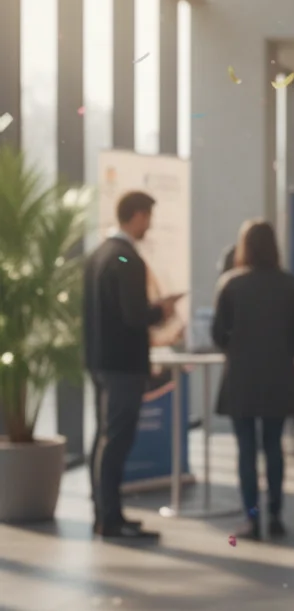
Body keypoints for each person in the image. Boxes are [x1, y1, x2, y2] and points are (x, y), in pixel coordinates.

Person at [84, 191, 181, 540]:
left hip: (100, 361)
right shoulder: (126, 258)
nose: (150, 225)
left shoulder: (99, 254)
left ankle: (105, 513)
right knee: (116, 440)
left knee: (105, 438)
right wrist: (161, 310)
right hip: (123, 365)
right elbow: (134, 314)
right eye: (148, 217)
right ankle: (111, 519)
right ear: (137, 215)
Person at [212, 220, 294, 540]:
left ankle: (252, 518)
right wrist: (288, 353)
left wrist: (236, 347)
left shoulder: (231, 284)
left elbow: (218, 333)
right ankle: (276, 515)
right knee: (273, 447)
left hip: (241, 377)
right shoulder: (289, 284)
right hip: (278, 375)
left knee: (246, 450)